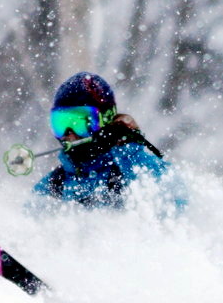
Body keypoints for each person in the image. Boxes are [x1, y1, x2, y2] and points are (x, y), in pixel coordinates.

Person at [33, 72, 188, 213]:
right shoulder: (56, 183)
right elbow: (30, 228)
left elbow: (175, 214)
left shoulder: (136, 169)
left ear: (105, 120)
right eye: (60, 124)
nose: (69, 134)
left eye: (80, 124)